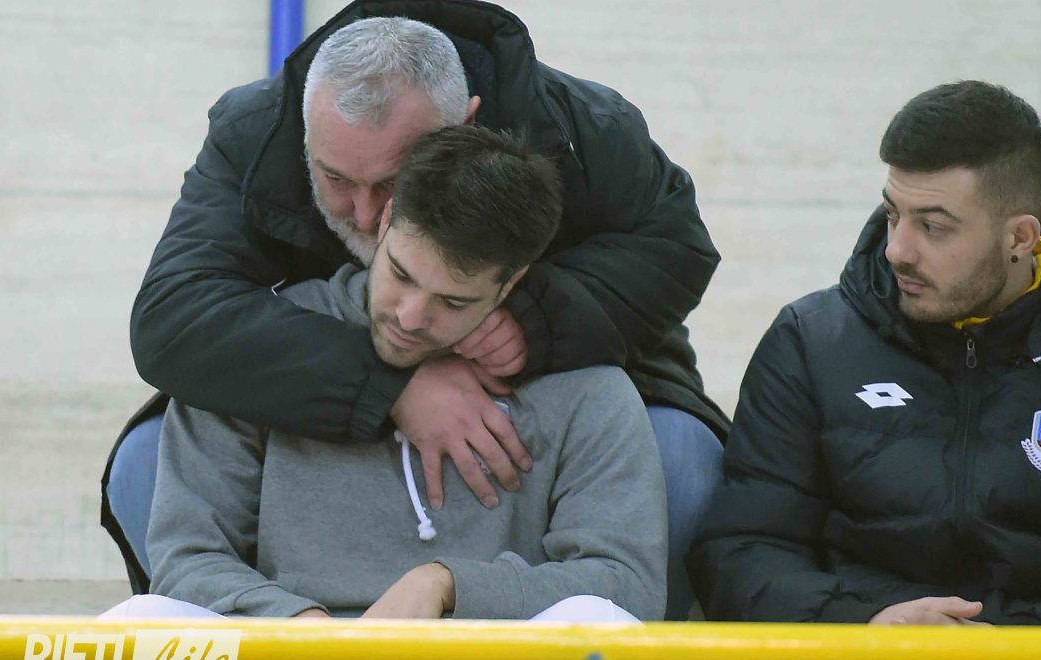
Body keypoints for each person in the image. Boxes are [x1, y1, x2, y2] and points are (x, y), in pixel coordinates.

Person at [101, 4, 726, 620]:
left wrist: (533, 322)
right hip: (326, 360)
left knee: (681, 459)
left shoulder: (584, 129)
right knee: (147, 464)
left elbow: (678, 249)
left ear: (465, 127)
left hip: (561, 344)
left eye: (392, 182)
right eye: (335, 178)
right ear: (305, 133)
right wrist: (392, 385)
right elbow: (175, 319)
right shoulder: (256, 128)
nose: (364, 214)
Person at [688, 80, 1041, 626]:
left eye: (933, 226)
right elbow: (743, 551)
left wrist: (996, 644)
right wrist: (867, 624)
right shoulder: (810, 342)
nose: (897, 250)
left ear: (1020, 238)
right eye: (893, 214)